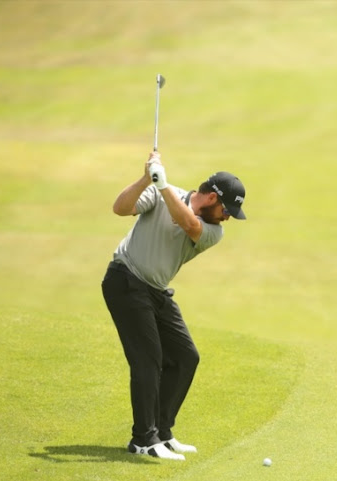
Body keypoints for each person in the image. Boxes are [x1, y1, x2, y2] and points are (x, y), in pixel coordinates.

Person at [101, 151, 246, 460]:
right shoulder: (158, 189)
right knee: (148, 360)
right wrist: (146, 178)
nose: (228, 217)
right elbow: (120, 208)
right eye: (226, 209)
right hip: (125, 281)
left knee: (185, 357)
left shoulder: (212, 231)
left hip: (154, 291)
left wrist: (162, 182)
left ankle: (162, 433)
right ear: (210, 198)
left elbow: (188, 223)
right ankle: (143, 439)